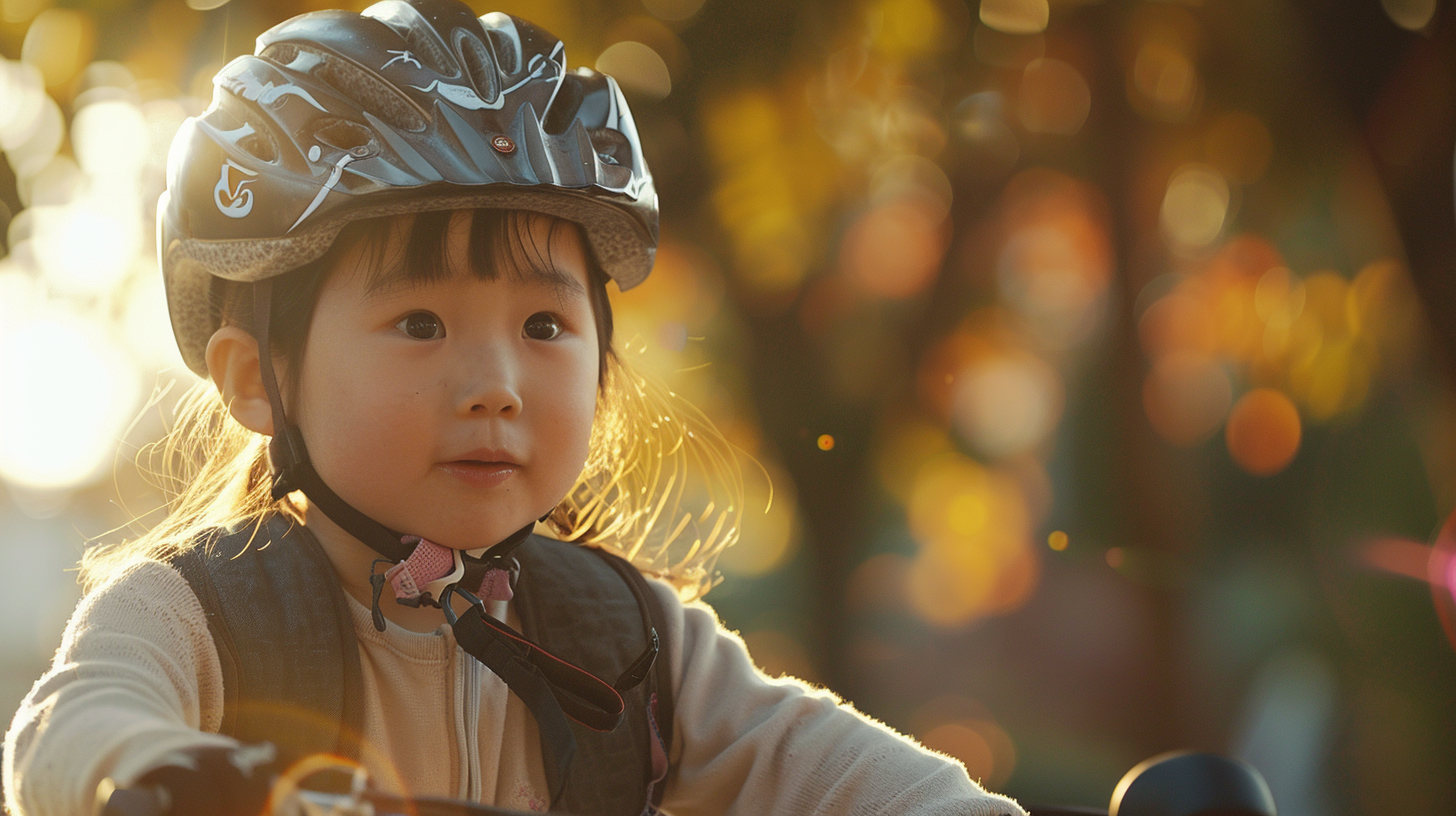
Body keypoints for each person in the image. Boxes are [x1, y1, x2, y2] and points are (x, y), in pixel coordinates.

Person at [2, 1, 1029, 814]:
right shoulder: (197, 614)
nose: (496, 383)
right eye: (419, 324)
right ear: (255, 378)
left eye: (543, 328)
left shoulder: (626, 637)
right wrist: (169, 773)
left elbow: (835, 772)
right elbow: (67, 733)